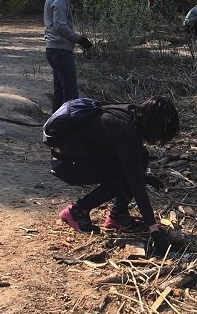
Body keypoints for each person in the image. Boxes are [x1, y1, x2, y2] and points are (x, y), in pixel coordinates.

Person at [51, 96, 179, 247]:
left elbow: (133, 163)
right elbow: (135, 182)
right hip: (67, 165)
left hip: (76, 157)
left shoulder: (130, 112)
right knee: (126, 175)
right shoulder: (125, 129)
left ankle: (118, 215)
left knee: (141, 157)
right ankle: (76, 211)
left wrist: (144, 177)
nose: (157, 140)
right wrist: (154, 229)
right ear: (154, 125)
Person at [43, 0, 92, 109]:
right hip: (60, 51)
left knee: (59, 92)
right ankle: (70, 128)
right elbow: (60, 26)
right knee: (71, 94)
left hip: (55, 50)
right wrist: (79, 39)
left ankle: (54, 126)